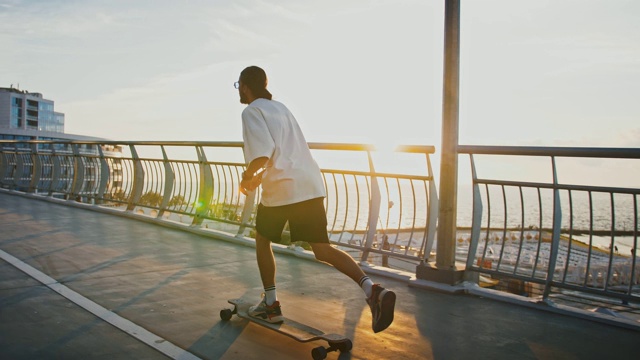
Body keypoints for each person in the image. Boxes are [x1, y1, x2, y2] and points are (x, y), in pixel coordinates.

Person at [235, 65, 395, 333]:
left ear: (245, 86)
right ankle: (372, 290)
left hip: (283, 188)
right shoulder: (282, 108)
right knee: (322, 249)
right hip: (310, 183)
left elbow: (263, 153)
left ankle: (271, 304)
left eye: (238, 85)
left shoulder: (251, 110)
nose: (238, 90)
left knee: (262, 240)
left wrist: (247, 176)